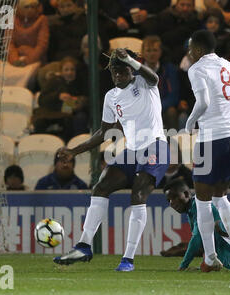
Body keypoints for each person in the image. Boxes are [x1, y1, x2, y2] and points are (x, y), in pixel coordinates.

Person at [53, 48, 170, 272]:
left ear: (131, 70)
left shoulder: (144, 83)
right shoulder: (111, 97)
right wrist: (74, 151)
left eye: (122, 71)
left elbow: (154, 77)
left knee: (138, 194)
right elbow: (104, 132)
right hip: (132, 149)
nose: (118, 76)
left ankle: (128, 259)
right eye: (114, 72)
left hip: (155, 145)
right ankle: (84, 246)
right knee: (101, 186)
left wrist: (131, 61)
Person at [185, 30, 230, 272]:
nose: (188, 52)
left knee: (203, 201)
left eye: (189, 48)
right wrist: (229, 109)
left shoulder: (196, 69)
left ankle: (210, 259)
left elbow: (203, 102)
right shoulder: (228, 64)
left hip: (211, 139)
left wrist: (189, 121)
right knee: (221, 196)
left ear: (196, 50)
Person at [35, 56, 89, 141]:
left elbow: (86, 100)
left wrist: (77, 101)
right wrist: (58, 96)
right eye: (66, 70)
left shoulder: (80, 82)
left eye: (72, 70)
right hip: (52, 112)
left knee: (78, 118)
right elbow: (41, 100)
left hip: (71, 114)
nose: (69, 73)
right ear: (61, 71)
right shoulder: (54, 81)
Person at [141, 35, 181, 130]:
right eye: (148, 50)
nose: (152, 54)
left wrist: (157, 107)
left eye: (155, 50)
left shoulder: (169, 69)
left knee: (171, 112)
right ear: (142, 52)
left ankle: (173, 143)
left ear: (160, 52)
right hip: (143, 109)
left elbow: (174, 95)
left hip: (163, 107)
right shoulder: (136, 72)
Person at [8, 0, 49, 67]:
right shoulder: (11, 19)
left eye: (32, 7)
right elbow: (9, 44)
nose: (30, 9)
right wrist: (15, 60)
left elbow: (42, 45)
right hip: (14, 59)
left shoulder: (42, 20)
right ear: (20, 8)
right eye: (26, 7)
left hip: (36, 60)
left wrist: (27, 61)